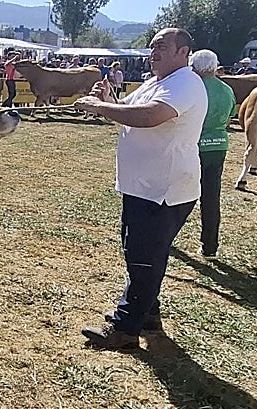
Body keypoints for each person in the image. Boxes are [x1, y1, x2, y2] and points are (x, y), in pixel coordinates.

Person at [74, 28, 207, 349]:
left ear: (183, 52)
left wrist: (98, 107)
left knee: (144, 257)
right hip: (144, 186)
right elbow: (128, 112)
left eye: (161, 46)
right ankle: (147, 314)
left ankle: (125, 328)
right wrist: (107, 100)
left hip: (164, 188)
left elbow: (150, 116)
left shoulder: (185, 83)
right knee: (141, 254)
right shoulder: (154, 82)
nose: (153, 52)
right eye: (152, 47)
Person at [190, 49, 237, 259]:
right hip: (219, 146)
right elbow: (229, 119)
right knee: (211, 198)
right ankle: (210, 246)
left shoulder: (194, 88)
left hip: (195, 146)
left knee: (175, 193)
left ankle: (162, 237)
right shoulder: (227, 90)